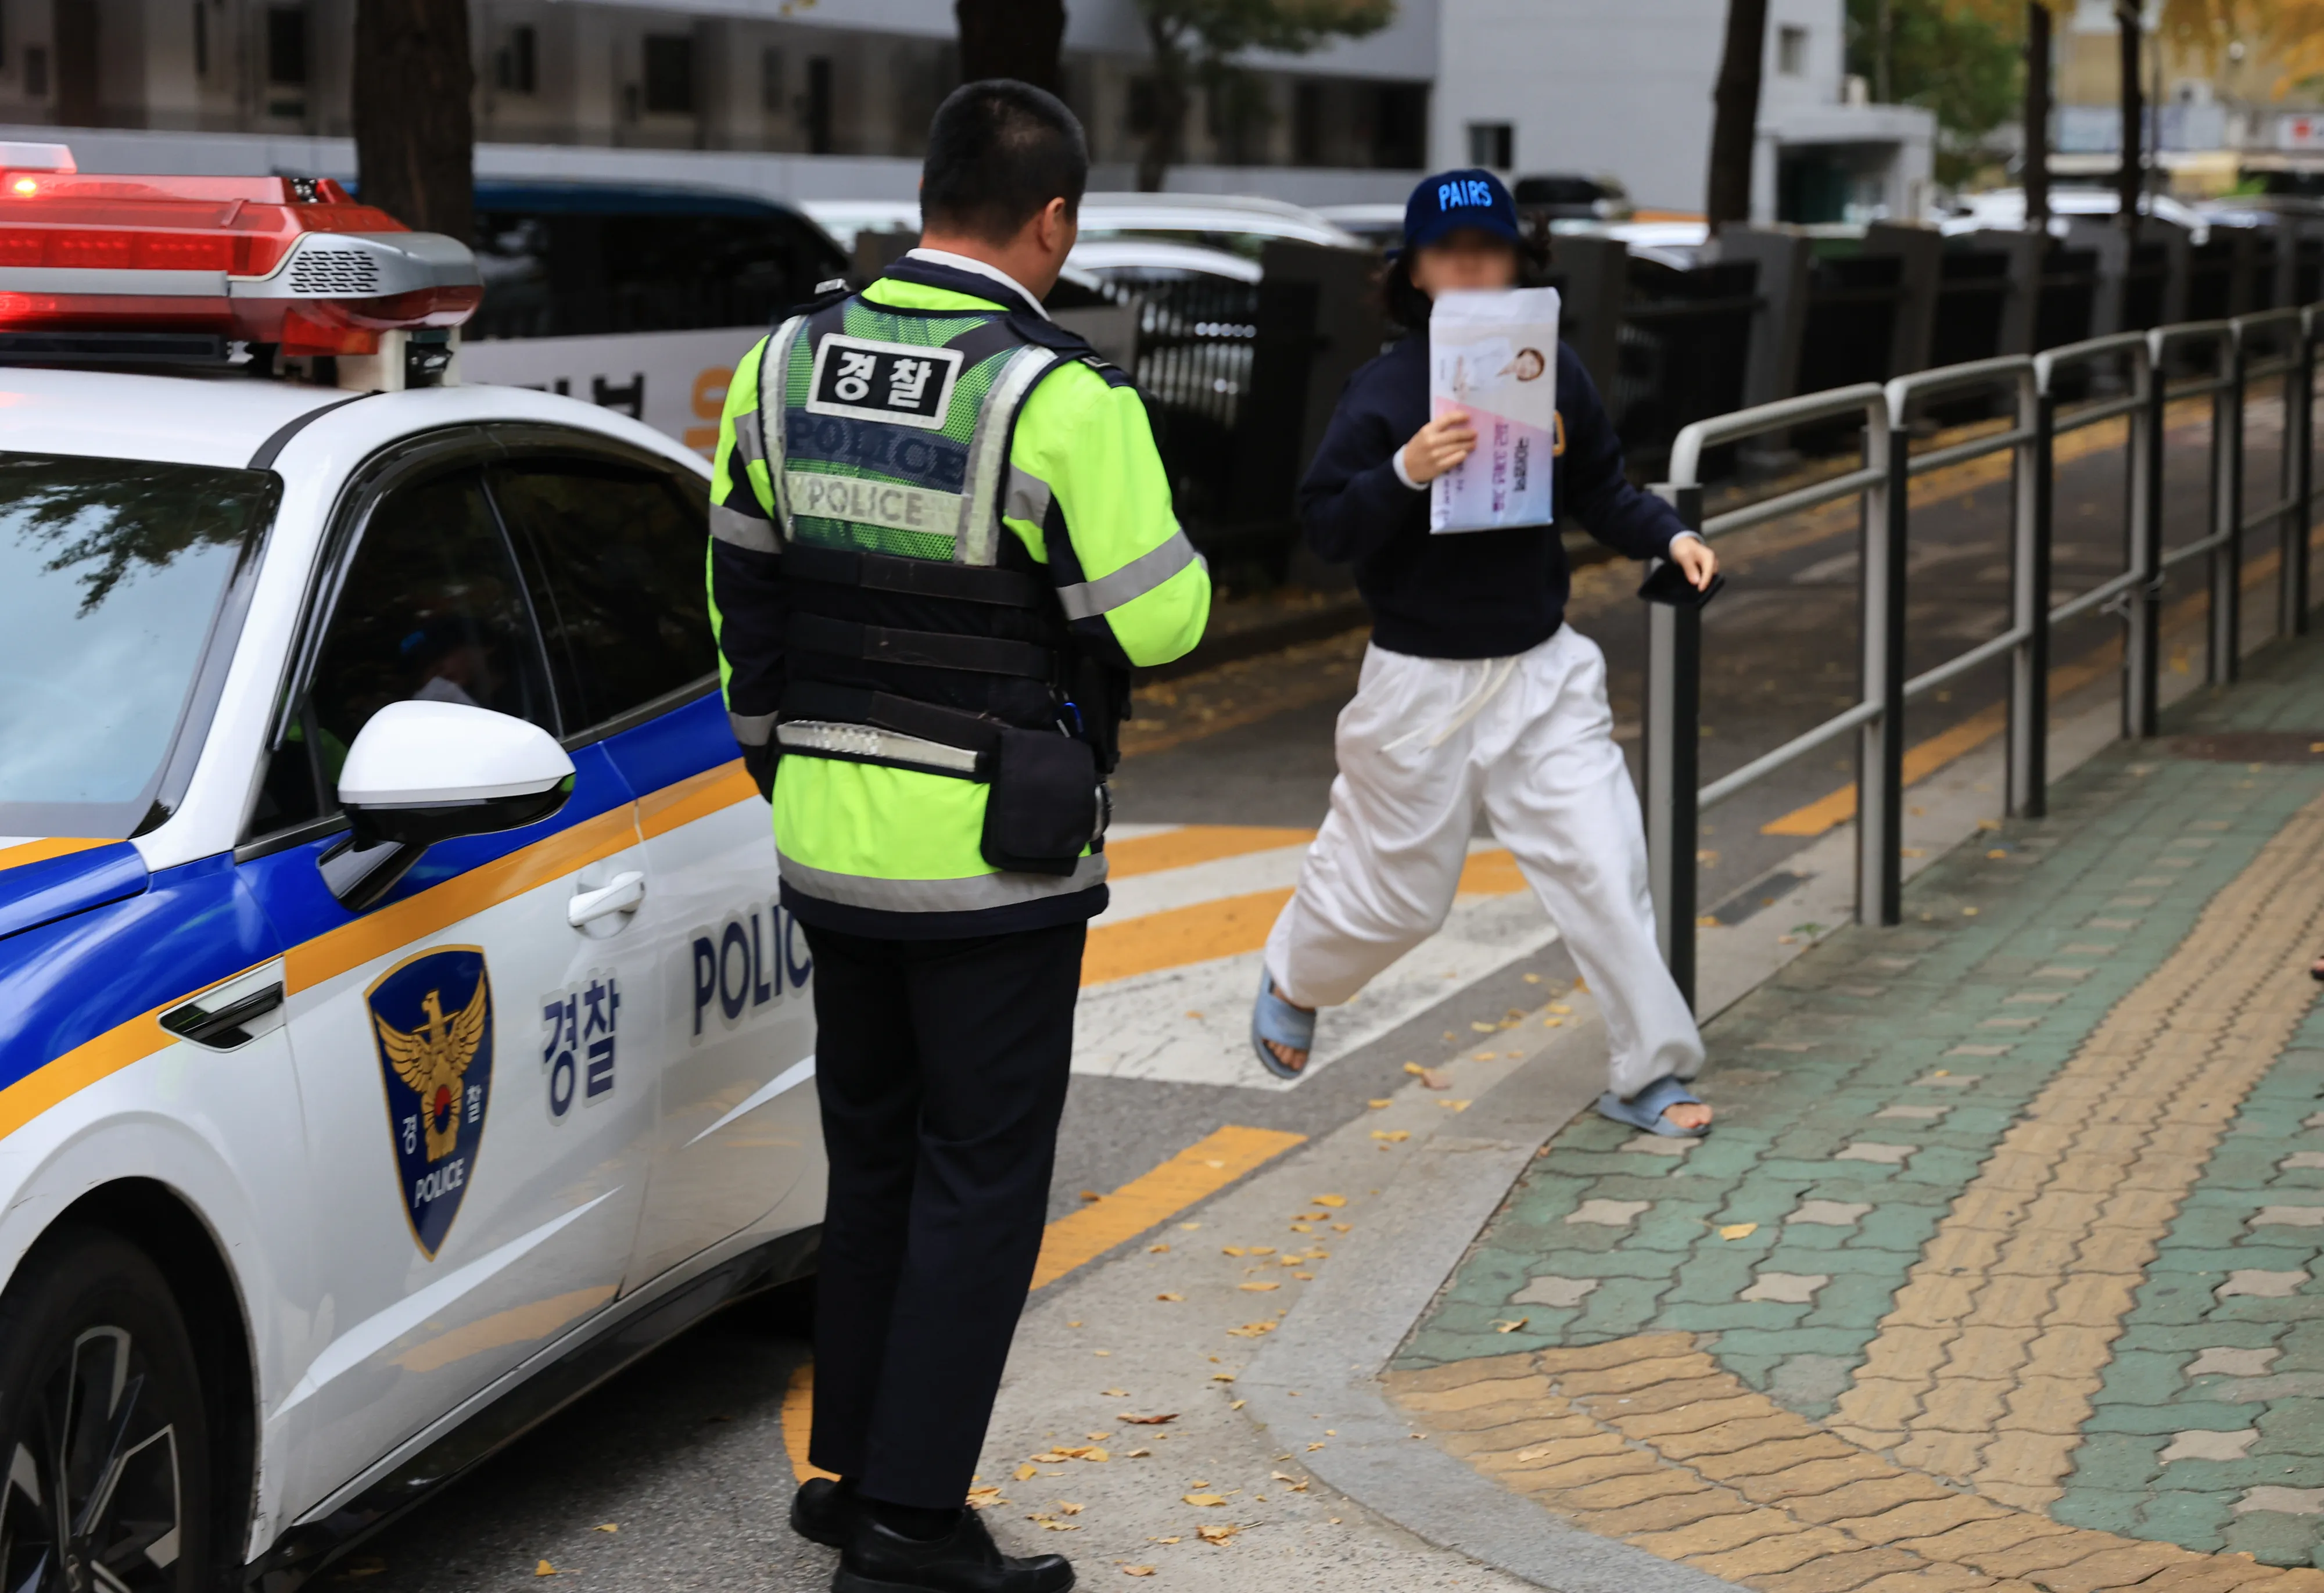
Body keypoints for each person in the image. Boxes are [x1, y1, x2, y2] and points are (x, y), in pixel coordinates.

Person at [706, 81, 1210, 1593]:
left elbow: (742, 586)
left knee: (870, 1167)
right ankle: (912, 1527)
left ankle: (852, 1473)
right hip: (989, 862)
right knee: (979, 1182)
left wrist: (777, 761)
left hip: (823, 840)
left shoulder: (783, 360)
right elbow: (1167, 616)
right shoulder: (1059, 400)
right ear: (1052, 219)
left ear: (927, 193)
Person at [1248, 168, 1718, 1139]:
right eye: (1448, 252)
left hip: (1543, 671)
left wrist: (1668, 535)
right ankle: (1298, 971)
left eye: (1490, 249)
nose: (1470, 266)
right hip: (1419, 685)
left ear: (1519, 261)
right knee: (1399, 900)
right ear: (1414, 272)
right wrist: (1404, 470)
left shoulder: (1555, 373)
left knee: (1605, 862)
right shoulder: (1380, 391)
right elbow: (1327, 528)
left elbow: (1603, 488)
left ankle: (1649, 1072)